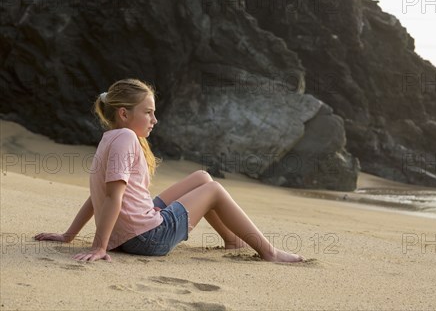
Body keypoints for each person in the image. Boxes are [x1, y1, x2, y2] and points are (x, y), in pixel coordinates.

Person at [35, 78, 303, 263]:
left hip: (130, 233)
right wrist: (99, 247)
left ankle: (234, 241)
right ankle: (269, 252)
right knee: (214, 190)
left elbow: (99, 197)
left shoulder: (110, 138)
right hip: (147, 239)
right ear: (124, 114)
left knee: (201, 178)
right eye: (148, 113)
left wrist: (69, 235)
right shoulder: (127, 139)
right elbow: (112, 199)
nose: (155, 120)